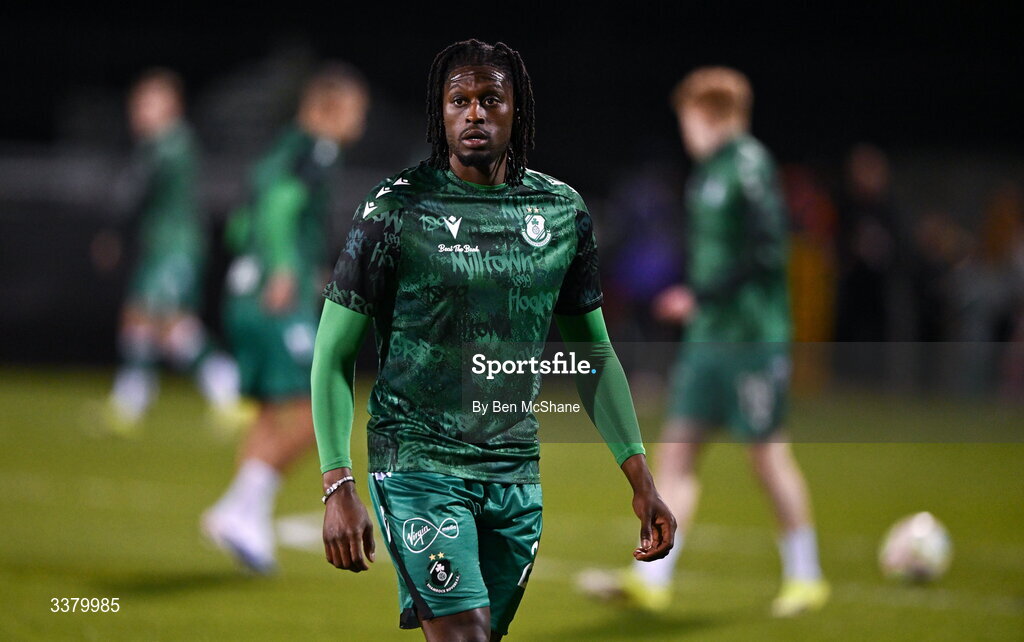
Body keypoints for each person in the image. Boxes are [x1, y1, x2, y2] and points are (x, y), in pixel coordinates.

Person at [311, 39, 676, 641]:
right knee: (465, 635)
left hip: (514, 478)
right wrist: (337, 482)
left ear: (516, 112)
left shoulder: (562, 214)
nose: (474, 113)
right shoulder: (395, 209)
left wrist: (641, 480)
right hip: (417, 466)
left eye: (490, 99)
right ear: (441, 114)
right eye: (459, 100)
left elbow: (594, 356)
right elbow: (332, 355)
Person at [580, 67, 829, 617]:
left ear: (711, 114)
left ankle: (806, 576)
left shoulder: (749, 165)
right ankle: (654, 578)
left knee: (766, 457)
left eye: (689, 118)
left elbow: (767, 250)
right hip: (709, 342)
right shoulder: (709, 173)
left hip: (751, 340)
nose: (685, 131)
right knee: (676, 456)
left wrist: (703, 296)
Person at [201, 63, 370, 574]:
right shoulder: (316, 150)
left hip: (242, 294)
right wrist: (282, 268)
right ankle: (237, 508)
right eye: (355, 112)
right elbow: (276, 209)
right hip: (276, 297)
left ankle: (247, 519)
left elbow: (240, 223)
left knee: (272, 413)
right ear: (330, 108)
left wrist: (270, 262)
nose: (358, 123)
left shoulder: (280, 150)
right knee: (317, 412)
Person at [103, 69, 244, 434]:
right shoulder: (157, 145)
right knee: (142, 318)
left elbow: (133, 193)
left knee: (170, 324)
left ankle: (226, 390)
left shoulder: (171, 143)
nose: (139, 111)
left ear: (172, 106)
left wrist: (114, 229)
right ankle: (132, 399)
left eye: (148, 103)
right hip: (160, 246)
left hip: (175, 248)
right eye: (137, 104)